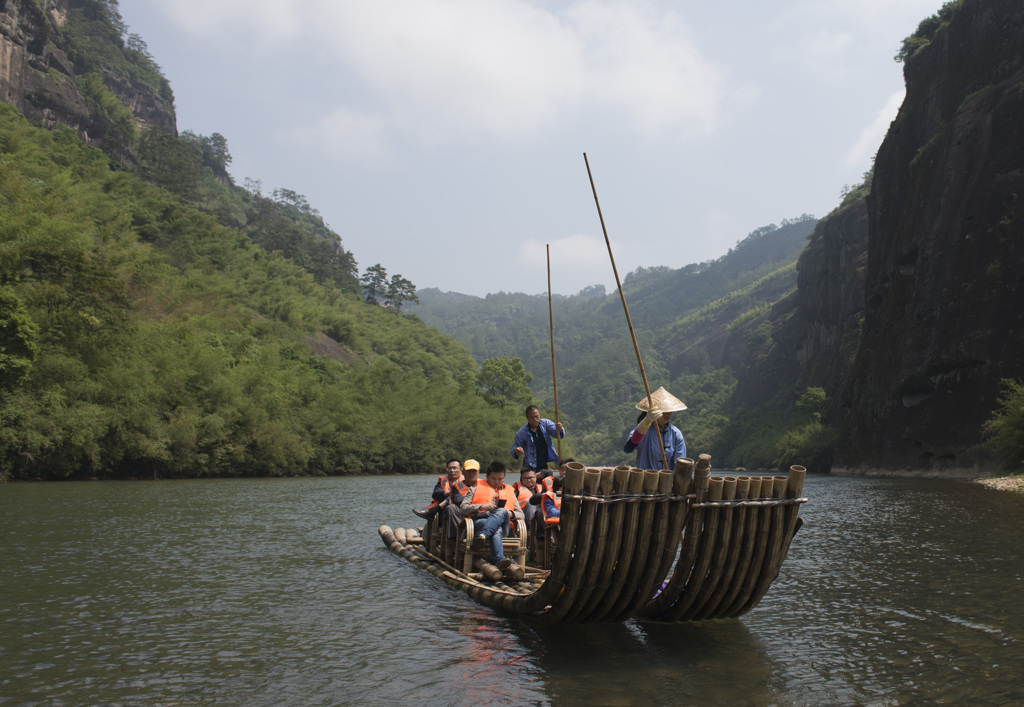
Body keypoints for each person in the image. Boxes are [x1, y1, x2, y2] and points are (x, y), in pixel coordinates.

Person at [461, 461, 523, 574]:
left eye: (500, 479)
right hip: (481, 522)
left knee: (502, 511)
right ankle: (499, 560)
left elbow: (521, 514)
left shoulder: (510, 491)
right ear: (487, 477)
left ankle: (483, 536)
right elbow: (463, 509)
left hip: (504, 527)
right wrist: (482, 506)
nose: (497, 482)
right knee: (496, 529)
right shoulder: (474, 489)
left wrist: (510, 514)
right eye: (494, 479)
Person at [623, 386, 687, 470]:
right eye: (663, 411)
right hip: (646, 479)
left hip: (667, 480)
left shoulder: (676, 433)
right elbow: (628, 448)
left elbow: (680, 462)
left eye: (669, 411)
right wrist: (646, 421)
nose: (667, 414)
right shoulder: (643, 429)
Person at [511, 405, 565, 470]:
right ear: (527, 417)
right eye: (531, 417)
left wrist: (559, 429)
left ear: (539, 415)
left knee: (547, 478)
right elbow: (515, 448)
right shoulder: (521, 433)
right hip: (529, 466)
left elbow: (556, 433)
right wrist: (517, 451)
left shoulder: (545, 423)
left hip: (543, 465)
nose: (534, 419)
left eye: (536, 416)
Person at [437, 459, 478, 539]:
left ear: (478, 472)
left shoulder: (485, 485)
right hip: (462, 514)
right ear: (463, 472)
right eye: (468, 471)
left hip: (479, 513)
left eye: (474, 471)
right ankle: (456, 539)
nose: (471, 473)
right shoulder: (457, 486)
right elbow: (457, 499)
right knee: (451, 508)